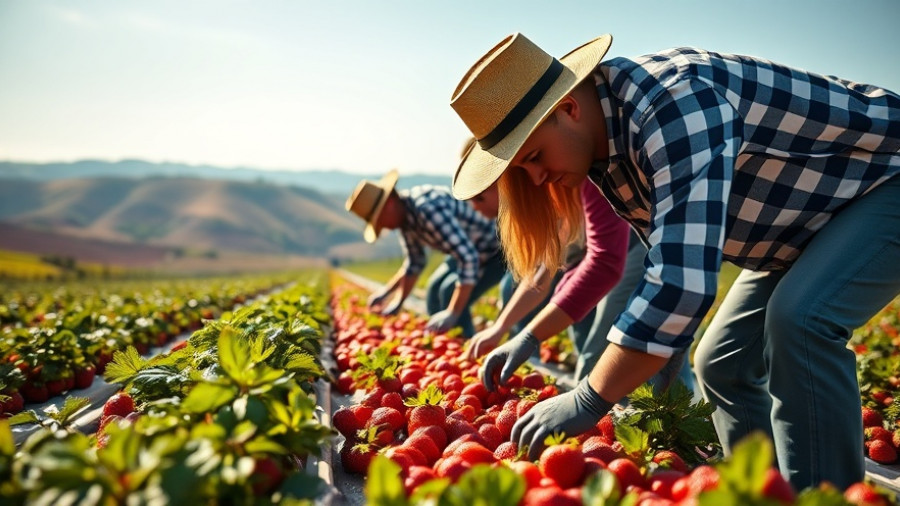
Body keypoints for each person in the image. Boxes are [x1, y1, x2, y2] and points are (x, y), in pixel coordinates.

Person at [448, 32, 900, 490]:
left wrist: (590, 395)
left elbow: (679, 286)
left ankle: (826, 497)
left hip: (885, 179)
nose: (539, 177)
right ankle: (760, 492)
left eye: (534, 157)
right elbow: (672, 263)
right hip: (803, 227)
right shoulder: (608, 148)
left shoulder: (673, 104)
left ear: (568, 108)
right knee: (721, 361)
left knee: (798, 321)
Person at [345, 169, 506, 337]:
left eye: (380, 221)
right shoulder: (406, 220)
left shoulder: (427, 210)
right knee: (434, 289)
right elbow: (414, 263)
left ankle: (466, 347)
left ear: (389, 205)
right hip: (465, 249)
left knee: (449, 291)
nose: (384, 227)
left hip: (494, 250)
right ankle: (441, 342)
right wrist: (392, 297)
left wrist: (453, 313)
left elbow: (469, 258)